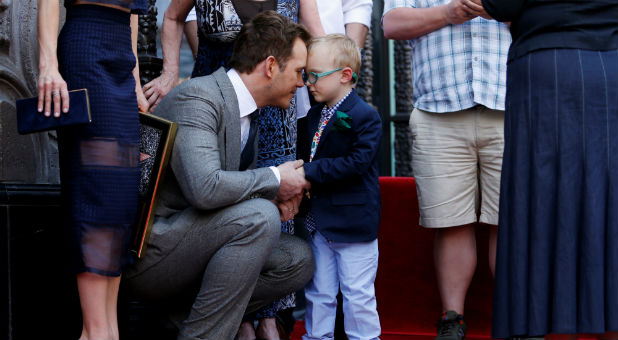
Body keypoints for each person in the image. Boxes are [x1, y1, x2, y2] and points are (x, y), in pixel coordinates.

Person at [123, 11, 316, 340]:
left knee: (296, 258)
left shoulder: (249, 111)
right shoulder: (199, 98)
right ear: (270, 66)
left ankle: (184, 318)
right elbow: (205, 188)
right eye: (298, 72)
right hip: (152, 254)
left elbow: (221, 195)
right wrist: (274, 180)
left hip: (196, 245)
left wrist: (270, 193)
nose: (301, 84)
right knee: (259, 218)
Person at [473, 0, 618, 339]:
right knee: (609, 200)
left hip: (550, 67)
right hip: (611, 66)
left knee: (551, 203)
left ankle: (551, 323)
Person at [382, 1, 510, 339]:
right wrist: (448, 13)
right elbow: (391, 25)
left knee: (509, 221)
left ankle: (516, 317)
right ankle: (452, 320)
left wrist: (500, 9)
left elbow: (546, 19)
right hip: (438, 109)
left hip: (512, 105)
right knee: (451, 222)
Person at [36, 0, 148, 339]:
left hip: (121, 62)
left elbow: (131, 18)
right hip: (86, 50)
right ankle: (95, 331)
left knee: (121, 199)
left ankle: (107, 331)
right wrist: (48, 65)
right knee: (98, 190)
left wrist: (137, 82)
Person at [296, 34, 382, 340]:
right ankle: (317, 337)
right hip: (318, 221)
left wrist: (308, 172)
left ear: (345, 75)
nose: (308, 82)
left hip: (352, 223)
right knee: (319, 292)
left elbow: (357, 163)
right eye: (306, 75)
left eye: (315, 76)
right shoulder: (312, 116)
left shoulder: (365, 116)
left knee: (358, 294)